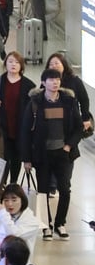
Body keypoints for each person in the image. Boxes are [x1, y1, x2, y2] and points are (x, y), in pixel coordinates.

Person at [21, 68, 83, 240]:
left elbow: (78, 127)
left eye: (57, 79)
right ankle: (45, 225)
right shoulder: (35, 102)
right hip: (42, 154)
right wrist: (26, 158)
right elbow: (25, 131)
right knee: (43, 191)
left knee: (65, 189)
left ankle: (60, 223)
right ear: (43, 83)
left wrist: (69, 145)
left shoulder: (69, 101)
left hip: (63, 153)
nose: (55, 82)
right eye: (51, 79)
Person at [0, 51, 36, 182]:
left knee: (17, 157)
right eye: (10, 61)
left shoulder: (29, 85)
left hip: (20, 127)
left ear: (21, 66)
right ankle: (0, 184)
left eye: (17, 62)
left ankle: (13, 183)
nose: (13, 65)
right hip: (1, 127)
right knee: (1, 157)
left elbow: (33, 108)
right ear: (5, 63)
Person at [0, 182, 40, 256]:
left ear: (22, 200)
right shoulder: (1, 217)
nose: (10, 204)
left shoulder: (32, 222)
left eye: (14, 200)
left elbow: (14, 236)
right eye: (6, 200)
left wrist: (2, 212)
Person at [44, 51, 92, 134]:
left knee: (71, 142)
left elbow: (84, 100)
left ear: (64, 65)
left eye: (56, 63)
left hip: (71, 118)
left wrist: (86, 118)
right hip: (51, 119)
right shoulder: (46, 81)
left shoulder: (74, 80)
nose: (54, 66)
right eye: (51, 64)